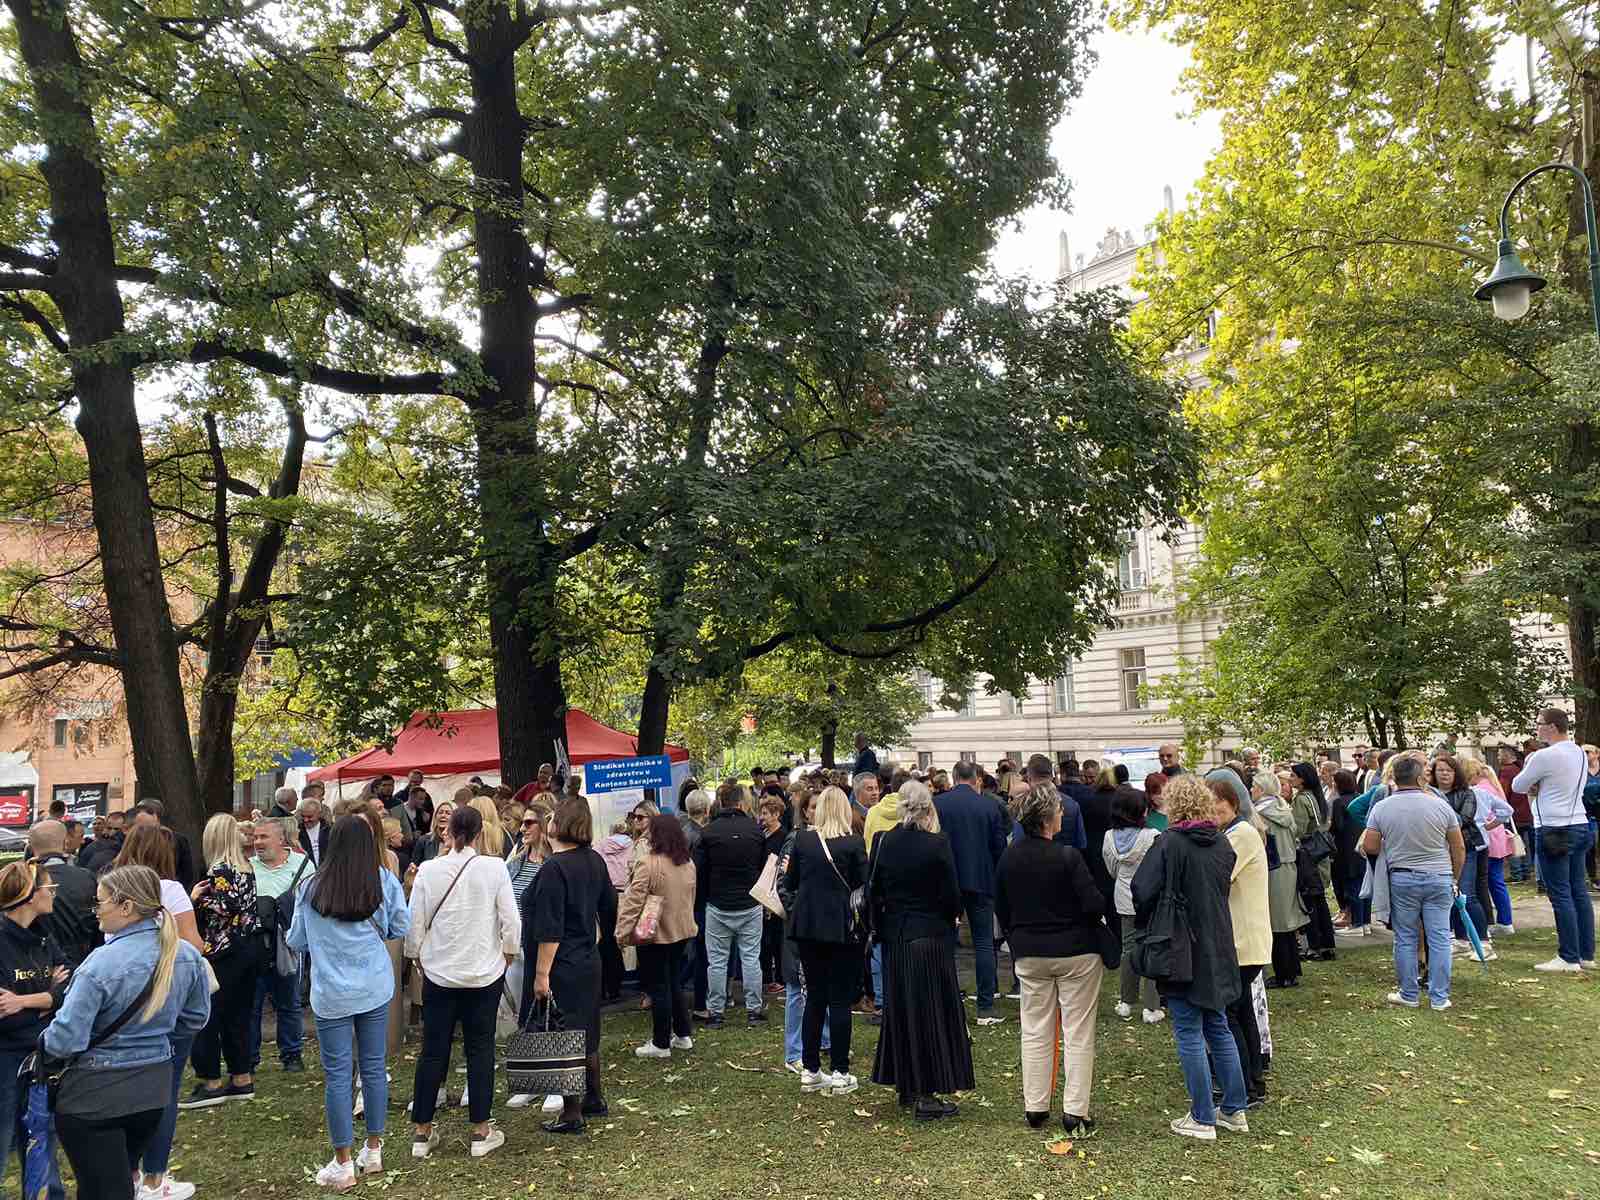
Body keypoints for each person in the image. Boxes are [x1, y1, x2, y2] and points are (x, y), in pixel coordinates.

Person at [47, 865, 209, 1200]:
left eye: (100, 903)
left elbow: (66, 1040)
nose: (96, 913)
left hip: (95, 1096)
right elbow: (195, 1018)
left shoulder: (99, 965)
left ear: (126, 907)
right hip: (153, 1091)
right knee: (117, 1178)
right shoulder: (187, 955)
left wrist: (41, 1044)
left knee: (103, 1187)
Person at [287, 815, 410, 1189]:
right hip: (374, 987)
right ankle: (373, 1148)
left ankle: (343, 1160)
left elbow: (296, 939)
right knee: (373, 1068)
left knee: (338, 1076)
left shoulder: (310, 887)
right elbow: (399, 926)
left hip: (331, 993)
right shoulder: (382, 880)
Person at [1130, 774, 1248, 1141]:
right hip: (1217, 943)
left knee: (1188, 1030)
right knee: (1218, 1025)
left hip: (1179, 945)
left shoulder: (1169, 844)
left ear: (1174, 806)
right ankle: (1233, 1109)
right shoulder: (1223, 845)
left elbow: (1141, 888)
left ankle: (1201, 1116)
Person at [405, 805, 519, 1160]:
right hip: (483, 972)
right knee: (480, 1049)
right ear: (478, 833)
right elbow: (511, 921)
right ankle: (481, 1130)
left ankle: (422, 1132)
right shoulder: (494, 868)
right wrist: (507, 955)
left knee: (433, 1050)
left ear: (449, 833)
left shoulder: (429, 870)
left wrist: (417, 958)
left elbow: (415, 923)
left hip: (440, 973)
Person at [997, 782, 1105, 1137]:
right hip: (1076, 952)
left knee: (1035, 1028)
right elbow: (1092, 904)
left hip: (1030, 953)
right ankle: (1075, 1110)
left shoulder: (1009, 856)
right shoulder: (1068, 857)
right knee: (1077, 1030)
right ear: (1047, 818)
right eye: (1058, 811)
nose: (1062, 815)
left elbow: (1003, 907)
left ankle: (1036, 1105)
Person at [867, 780, 971, 1120]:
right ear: (927, 808)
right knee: (929, 1012)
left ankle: (907, 1084)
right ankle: (926, 1093)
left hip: (897, 936)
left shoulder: (885, 842)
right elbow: (952, 895)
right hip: (929, 935)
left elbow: (876, 890)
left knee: (903, 1009)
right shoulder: (936, 845)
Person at [523, 798, 616, 1135]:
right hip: (588, 957)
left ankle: (571, 1111)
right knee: (587, 1030)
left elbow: (550, 926)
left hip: (561, 962)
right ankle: (594, 1096)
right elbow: (609, 906)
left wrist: (541, 974)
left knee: (564, 1036)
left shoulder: (555, 867)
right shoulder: (594, 860)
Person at [1361, 752, 1465, 1008]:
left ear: (1394, 778)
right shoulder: (1441, 805)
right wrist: (1455, 877)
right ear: (1420, 779)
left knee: (1405, 937)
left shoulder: (1382, 807)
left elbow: (1370, 846)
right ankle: (1440, 997)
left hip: (1403, 878)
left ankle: (1409, 993)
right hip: (1440, 876)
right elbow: (1458, 847)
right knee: (1439, 937)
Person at [783, 785, 867, 1096]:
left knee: (814, 997)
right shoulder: (854, 844)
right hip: (842, 929)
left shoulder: (803, 841)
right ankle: (841, 1071)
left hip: (807, 928)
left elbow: (789, 883)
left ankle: (810, 1069)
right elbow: (864, 887)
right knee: (840, 1000)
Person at [183, 814, 262, 1109]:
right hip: (248, 947)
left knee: (209, 1015)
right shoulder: (247, 867)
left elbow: (225, 907)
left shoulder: (219, 869)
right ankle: (241, 1076)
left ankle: (211, 1080)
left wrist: (195, 899)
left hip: (222, 950)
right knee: (238, 1016)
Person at [0, 860, 68, 1200]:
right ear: (29, 896)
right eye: (49, 888)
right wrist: (49, 1000)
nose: (54, 893)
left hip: (38, 1053)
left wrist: (28, 1002)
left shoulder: (43, 935)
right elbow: (4, 1016)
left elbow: (69, 987)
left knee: (41, 1131)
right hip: (6, 1058)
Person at [1512, 709, 1596, 971]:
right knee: (1578, 892)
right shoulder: (1579, 753)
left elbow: (1518, 785)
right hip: (1580, 823)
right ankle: (1586, 954)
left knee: (1560, 894)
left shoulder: (1543, 755)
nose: (1536, 729)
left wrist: (1536, 782)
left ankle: (1568, 957)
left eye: (1538, 724)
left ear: (1550, 727)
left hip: (1554, 827)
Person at [932, 759, 1007, 1025]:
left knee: (946, 944)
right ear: (976, 778)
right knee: (984, 942)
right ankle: (985, 1005)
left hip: (947, 882)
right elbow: (999, 848)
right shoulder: (989, 805)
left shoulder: (939, 804)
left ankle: (949, 1003)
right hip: (982, 880)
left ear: (954, 778)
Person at [1210, 779, 1271, 1107]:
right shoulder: (1231, 833)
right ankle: (1251, 1082)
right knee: (1242, 1010)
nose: (1215, 810)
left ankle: (1245, 1086)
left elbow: (1219, 874)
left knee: (1233, 1013)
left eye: (1220, 803)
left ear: (1234, 803)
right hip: (1239, 939)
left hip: (1243, 941)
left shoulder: (1242, 834)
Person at [617, 814, 698, 1059]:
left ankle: (661, 1042)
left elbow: (633, 902)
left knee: (659, 987)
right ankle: (683, 1034)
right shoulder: (687, 862)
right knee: (674, 982)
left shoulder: (648, 863)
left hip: (653, 934)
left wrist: (622, 932)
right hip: (682, 932)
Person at [693, 781, 768, 1028]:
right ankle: (754, 1010)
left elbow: (700, 872)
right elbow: (762, 865)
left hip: (718, 904)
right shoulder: (755, 831)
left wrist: (703, 900)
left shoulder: (709, 832)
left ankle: (716, 1012)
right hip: (749, 902)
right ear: (741, 802)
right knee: (750, 958)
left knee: (716, 961)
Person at [247, 817, 310, 1074]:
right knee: (251, 1005)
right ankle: (249, 1059)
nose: (257, 843)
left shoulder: (303, 865)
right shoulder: (247, 867)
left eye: (263, 837)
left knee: (289, 1001)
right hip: (255, 945)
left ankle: (292, 1055)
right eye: (255, 837)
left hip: (288, 945)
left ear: (281, 839)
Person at [1102, 787, 1162, 1023]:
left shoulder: (1108, 837)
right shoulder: (1153, 836)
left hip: (1124, 897)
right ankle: (1151, 1006)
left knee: (1128, 949)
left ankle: (1126, 1002)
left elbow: (1112, 870)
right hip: (1150, 898)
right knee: (1152, 949)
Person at [28, 819, 100, 969]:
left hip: (42, 966)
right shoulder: (88, 877)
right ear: (65, 842)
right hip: (87, 962)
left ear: (31, 845)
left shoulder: (24, 883)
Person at [1286, 764, 1336, 962]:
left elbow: (1298, 830)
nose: (1290, 778)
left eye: (1293, 775)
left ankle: (1315, 946)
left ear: (1302, 779)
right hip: (1320, 854)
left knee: (1311, 902)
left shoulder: (1301, 799)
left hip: (1308, 855)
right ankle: (1327, 944)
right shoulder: (1316, 796)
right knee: (1321, 902)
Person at [678, 789, 713, 1016]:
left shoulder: (680, 832)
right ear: (707, 810)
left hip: (682, 898)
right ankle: (699, 1001)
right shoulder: (702, 837)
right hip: (699, 900)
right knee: (700, 953)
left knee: (688, 950)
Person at [1329, 770, 1364, 931]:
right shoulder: (1360, 798)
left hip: (1345, 849)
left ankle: (1356, 923)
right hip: (1361, 846)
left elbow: (1338, 827)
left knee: (1351, 887)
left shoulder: (1339, 802)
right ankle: (1365, 922)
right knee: (1362, 886)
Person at [507, 809, 549, 903]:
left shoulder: (554, 866)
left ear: (544, 825)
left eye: (528, 823)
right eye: (522, 823)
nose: (522, 829)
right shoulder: (514, 862)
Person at [408, 799, 455, 875]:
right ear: (435, 816)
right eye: (440, 812)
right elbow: (413, 867)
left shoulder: (457, 842)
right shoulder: (423, 840)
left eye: (448, 813)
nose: (443, 815)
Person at [79, 809, 126, 874]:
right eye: (109, 828)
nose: (112, 832)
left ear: (125, 829)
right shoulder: (92, 847)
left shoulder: (129, 848)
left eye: (117, 829)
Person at [298, 798, 330, 867]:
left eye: (310, 817)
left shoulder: (330, 830)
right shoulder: (297, 832)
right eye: (303, 816)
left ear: (319, 814)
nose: (306, 820)